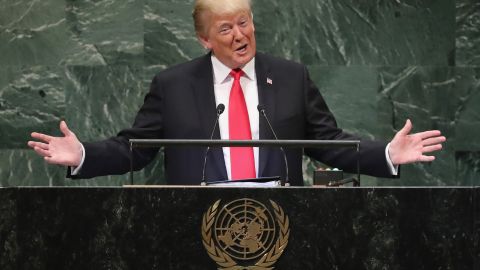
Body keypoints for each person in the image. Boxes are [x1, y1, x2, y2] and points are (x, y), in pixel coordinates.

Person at [27, 0, 445, 186]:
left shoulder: (290, 76)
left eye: (244, 22)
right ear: (204, 39)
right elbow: (135, 149)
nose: (240, 35)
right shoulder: (172, 86)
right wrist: (82, 156)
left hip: (283, 227)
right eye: (225, 28)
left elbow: (326, 143)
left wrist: (386, 154)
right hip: (193, 230)